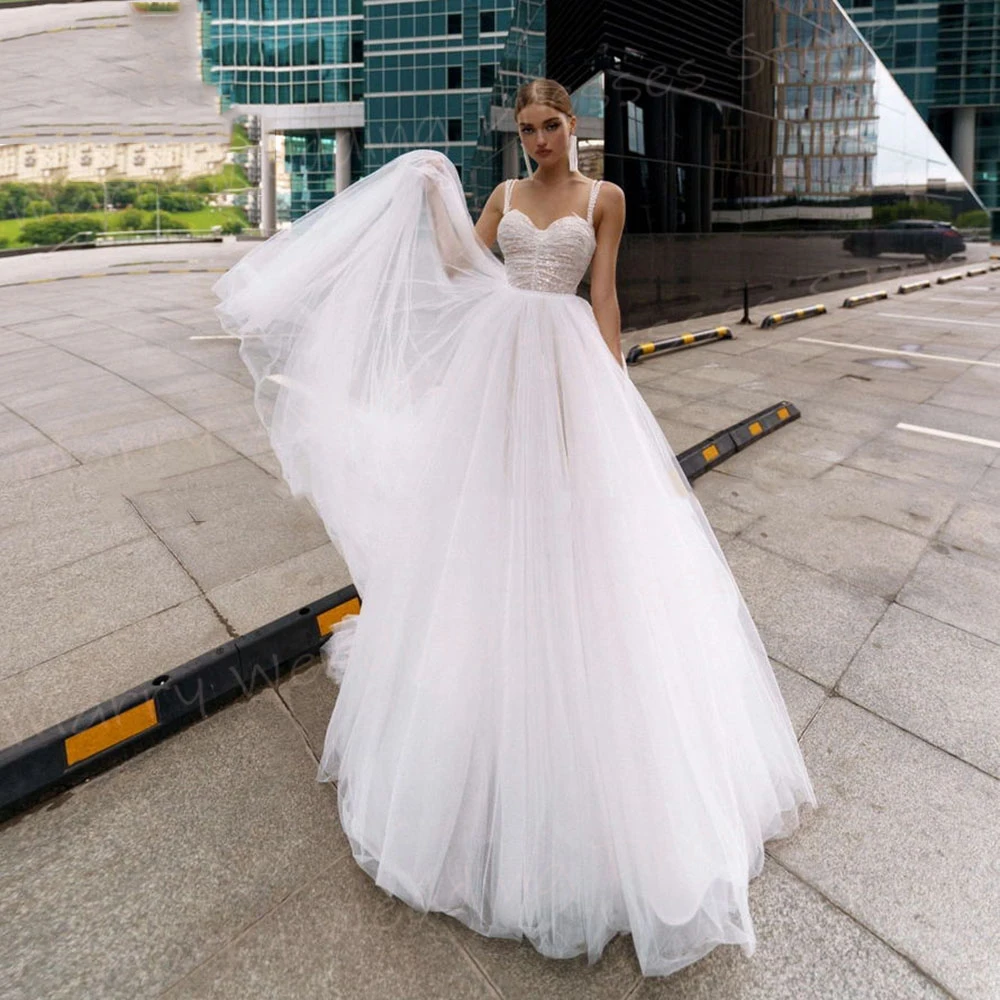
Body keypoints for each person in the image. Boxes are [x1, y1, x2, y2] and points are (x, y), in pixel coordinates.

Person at [212, 77, 818, 978]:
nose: (538, 141)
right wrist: (432, 197)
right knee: (490, 518)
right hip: (503, 364)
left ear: (575, 126)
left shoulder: (603, 198)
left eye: (550, 126)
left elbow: (603, 295)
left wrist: (613, 388)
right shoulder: (502, 196)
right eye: (528, 130)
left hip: (571, 362)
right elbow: (466, 270)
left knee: (588, 525)